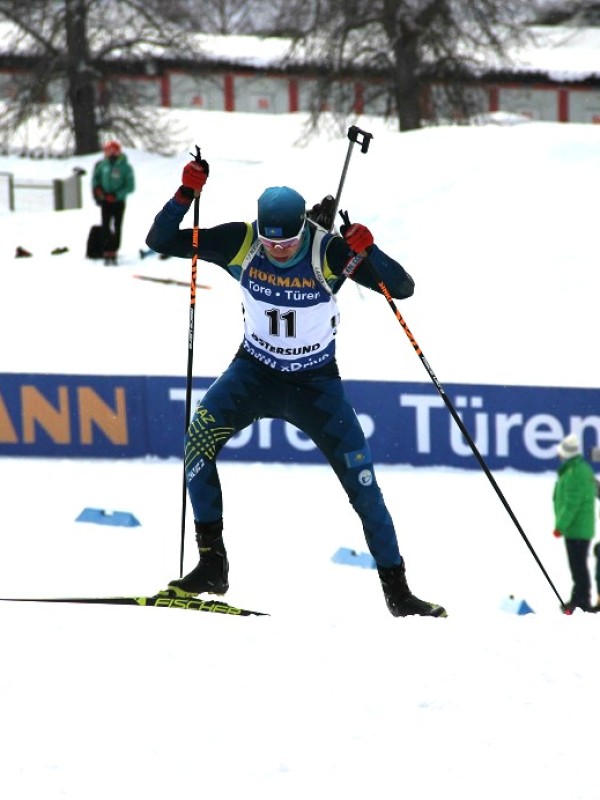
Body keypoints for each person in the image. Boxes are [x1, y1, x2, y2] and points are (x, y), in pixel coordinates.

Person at [145, 155, 446, 618]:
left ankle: (399, 593)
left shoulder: (328, 252)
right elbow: (160, 240)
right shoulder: (240, 241)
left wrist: (371, 250)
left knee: (364, 487)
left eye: (286, 242)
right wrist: (186, 195)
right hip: (253, 373)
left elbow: (401, 288)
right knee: (197, 441)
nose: (278, 250)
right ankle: (212, 565)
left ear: (302, 230)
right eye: (271, 241)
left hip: (315, 386)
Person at [552, 433, 597, 613]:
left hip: (576, 529)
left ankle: (581, 602)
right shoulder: (580, 469)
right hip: (579, 528)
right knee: (578, 567)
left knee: (578, 567)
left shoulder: (574, 473)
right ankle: (578, 598)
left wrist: (560, 526)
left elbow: (572, 503)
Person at [91, 140, 135, 265]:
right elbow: (96, 178)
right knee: (105, 225)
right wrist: (98, 189)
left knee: (117, 225)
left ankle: (114, 249)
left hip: (118, 202)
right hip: (105, 201)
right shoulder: (103, 165)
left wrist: (116, 195)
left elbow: (130, 186)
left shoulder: (125, 167)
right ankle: (106, 249)